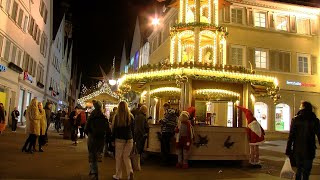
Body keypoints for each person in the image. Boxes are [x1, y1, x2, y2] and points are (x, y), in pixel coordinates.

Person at [286, 101, 320, 180]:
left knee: (299, 169)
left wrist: (288, 149)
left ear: (302, 108)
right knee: (306, 172)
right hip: (310, 149)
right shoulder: (315, 120)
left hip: (297, 149)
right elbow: (319, 134)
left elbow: (291, 136)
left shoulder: (295, 119)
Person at [85, 100, 109, 180]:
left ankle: (94, 172)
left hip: (92, 138)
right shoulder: (104, 117)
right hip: (101, 139)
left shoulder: (91, 116)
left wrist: (89, 134)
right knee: (97, 155)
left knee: (92, 155)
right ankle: (95, 170)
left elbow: (86, 128)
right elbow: (108, 129)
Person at [112, 101, 134, 180]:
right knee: (126, 157)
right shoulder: (130, 116)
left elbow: (114, 130)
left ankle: (118, 175)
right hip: (129, 139)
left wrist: (112, 140)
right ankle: (130, 173)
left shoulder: (117, 116)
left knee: (118, 157)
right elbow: (133, 129)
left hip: (119, 139)